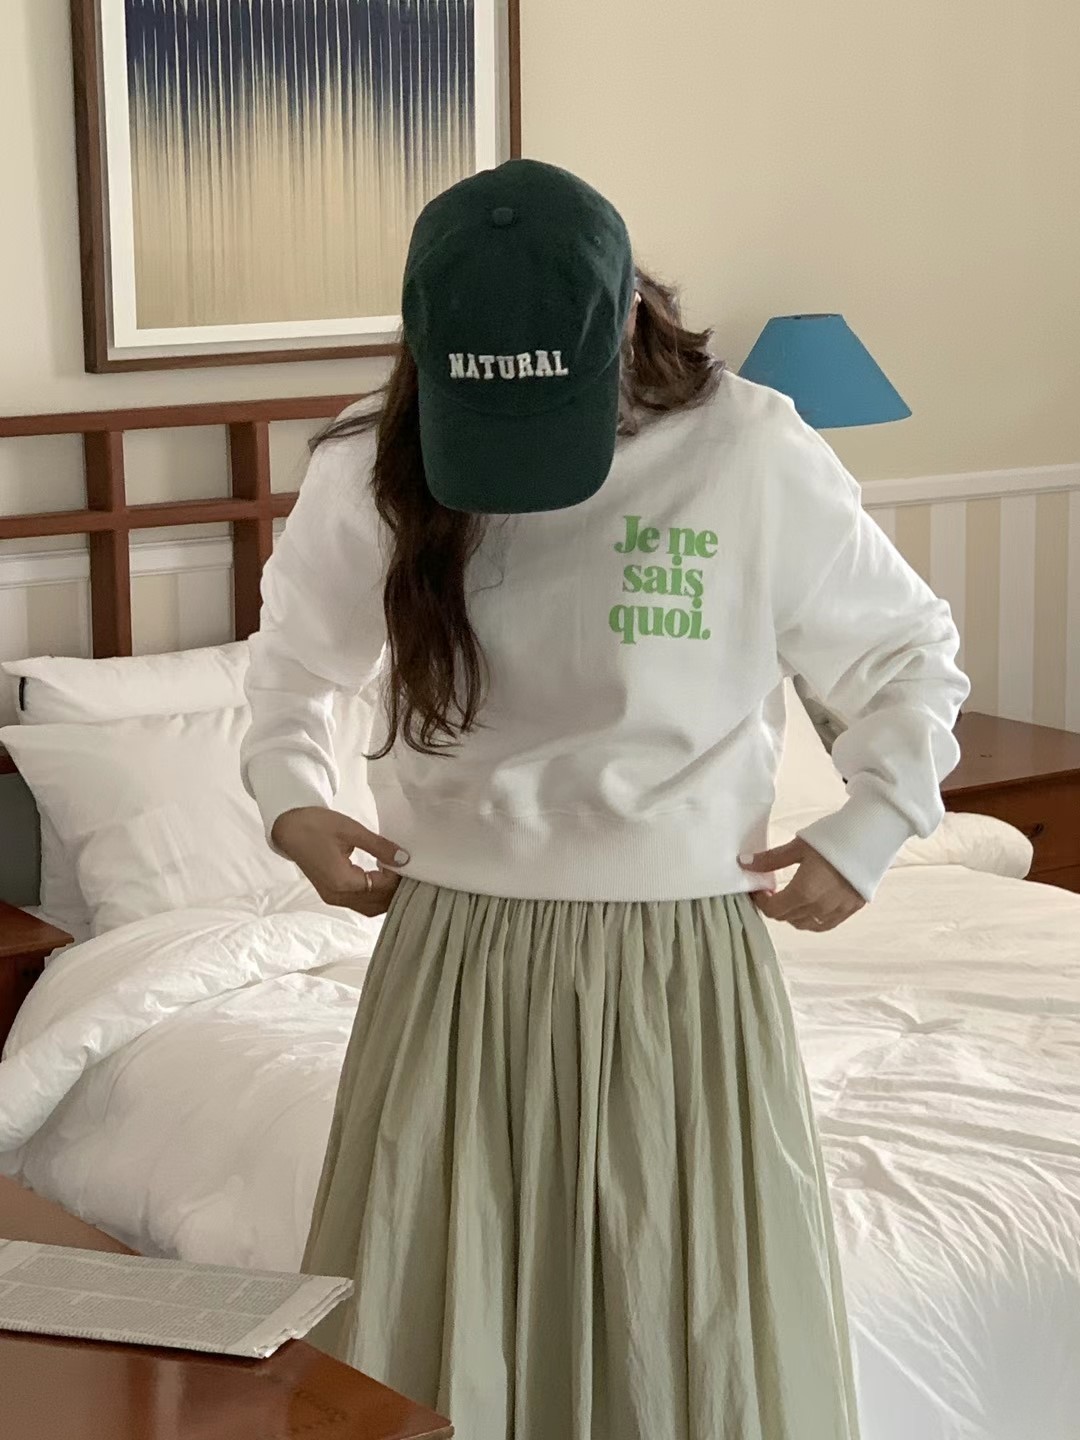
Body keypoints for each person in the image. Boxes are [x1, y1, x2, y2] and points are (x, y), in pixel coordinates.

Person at [241, 158, 969, 1440]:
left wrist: (873, 824)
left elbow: (908, 655)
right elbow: (295, 664)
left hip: (677, 961)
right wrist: (291, 798)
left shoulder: (748, 448)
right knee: (444, 1302)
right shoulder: (374, 460)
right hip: (453, 955)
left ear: (629, 311)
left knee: (675, 1317)